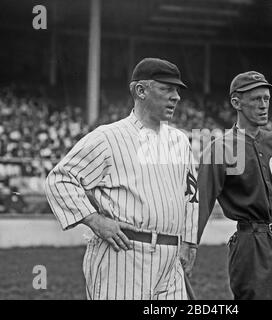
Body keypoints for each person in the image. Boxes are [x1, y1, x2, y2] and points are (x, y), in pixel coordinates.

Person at [45, 58, 198, 300]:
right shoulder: (108, 137)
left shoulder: (180, 140)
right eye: (167, 89)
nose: (176, 97)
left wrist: (190, 243)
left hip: (171, 259)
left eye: (177, 90)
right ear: (141, 91)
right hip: (124, 254)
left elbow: (191, 194)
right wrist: (96, 221)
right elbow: (60, 179)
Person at [197, 71, 272, 300]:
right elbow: (201, 201)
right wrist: (188, 245)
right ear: (236, 102)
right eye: (256, 99)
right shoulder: (220, 149)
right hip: (254, 241)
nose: (264, 105)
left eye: (266, 98)